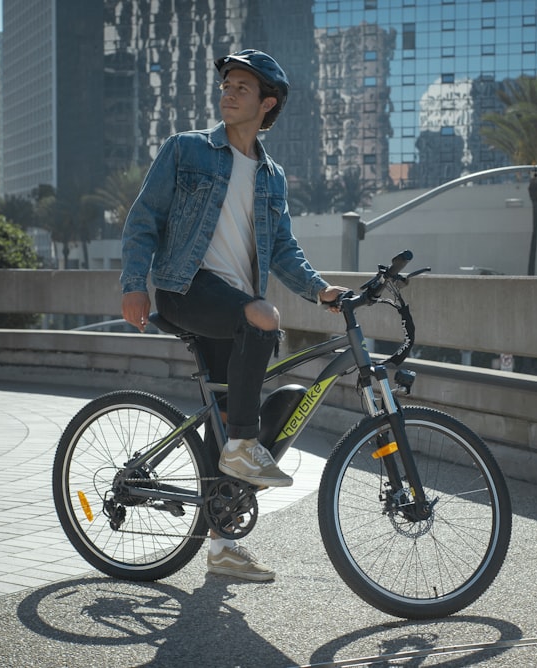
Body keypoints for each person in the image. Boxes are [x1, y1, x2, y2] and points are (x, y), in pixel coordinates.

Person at [119, 49, 347, 582]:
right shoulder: (187, 150)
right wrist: (134, 285)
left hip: (235, 306)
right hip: (184, 290)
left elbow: (285, 250)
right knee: (262, 324)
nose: (228, 92)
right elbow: (143, 219)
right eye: (226, 83)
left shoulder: (271, 176)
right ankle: (244, 447)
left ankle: (222, 547)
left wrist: (321, 291)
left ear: (267, 103)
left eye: (242, 87)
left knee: (229, 418)